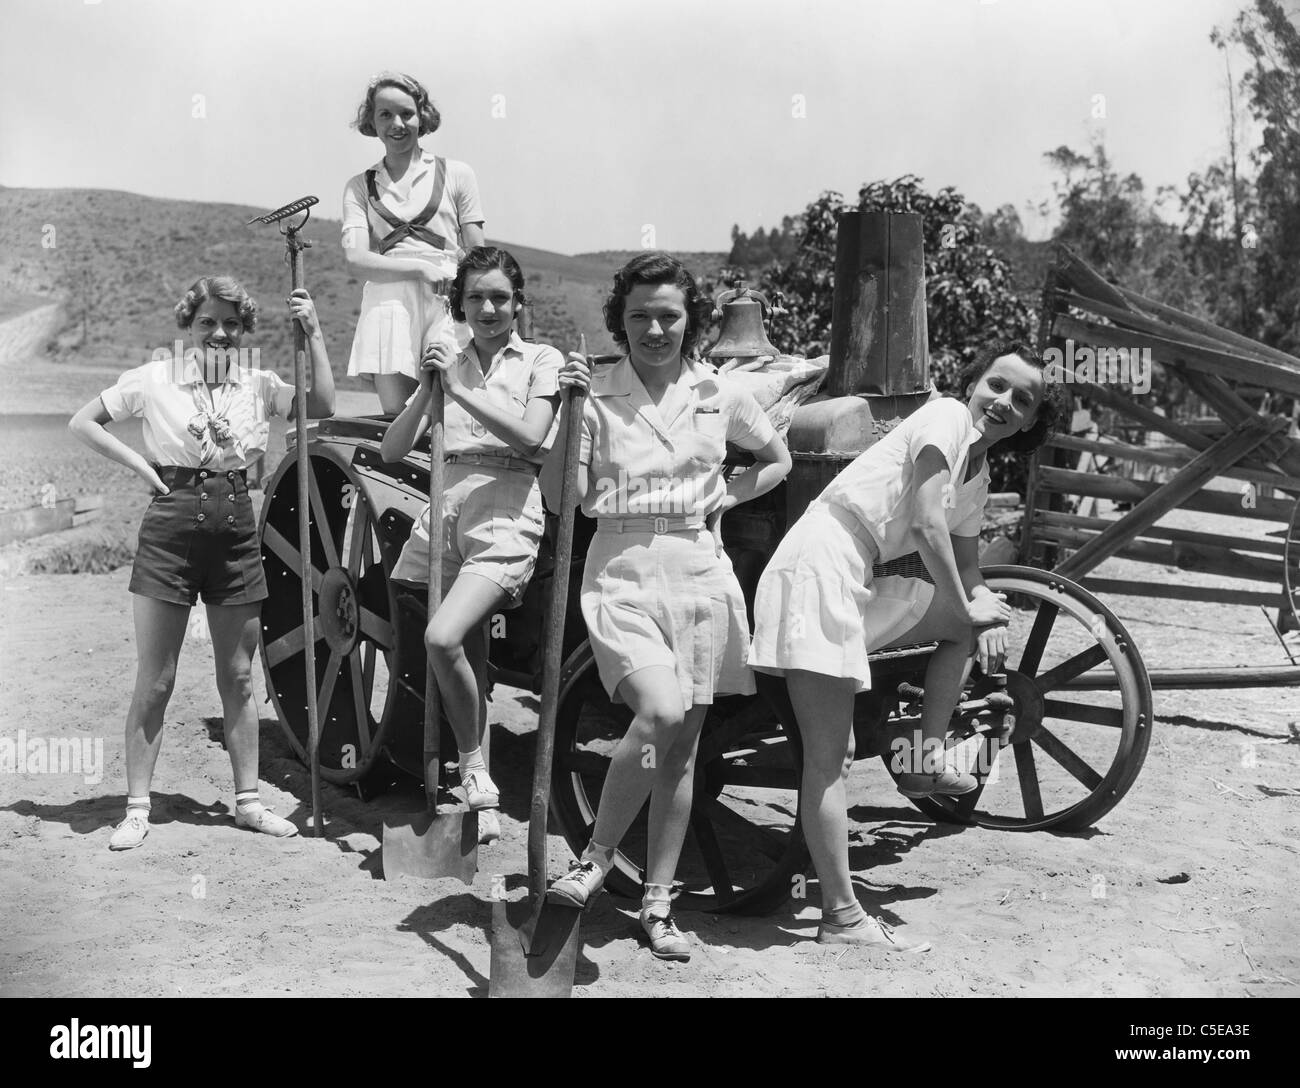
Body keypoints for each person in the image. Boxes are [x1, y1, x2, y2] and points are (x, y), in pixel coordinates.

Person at [748, 340, 1063, 950]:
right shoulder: (945, 416)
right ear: (973, 380)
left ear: (1030, 422)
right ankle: (840, 917)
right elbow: (923, 524)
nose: (1003, 402)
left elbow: (969, 568)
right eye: (997, 384)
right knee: (830, 757)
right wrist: (971, 602)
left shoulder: (979, 472)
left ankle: (922, 762)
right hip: (821, 564)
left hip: (858, 575)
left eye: (1022, 400)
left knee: (959, 624)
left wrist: (985, 613)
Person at [541, 253, 791, 961]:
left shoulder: (718, 393)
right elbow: (563, 500)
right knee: (660, 713)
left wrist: (725, 498)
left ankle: (656, 906)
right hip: (619, 568)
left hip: (700, 573)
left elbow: (778, 460)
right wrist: (567, 412)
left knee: (680, 757)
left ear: (692, 320)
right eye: (640, 315)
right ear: (620, 322)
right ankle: (593, 860)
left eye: (669, 315)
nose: (655, 328)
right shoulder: (594, 394)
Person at [68, 276, 335, 850]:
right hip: (170, 530)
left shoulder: (258, 383)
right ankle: (137, 808)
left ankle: (247, 803)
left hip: (238, 529)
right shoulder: (154, 379)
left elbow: (325, 405)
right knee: (157, 677)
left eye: (232, 324)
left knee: (238, 675)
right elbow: (82, 422)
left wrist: (312, 333)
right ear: (187, 326)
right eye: (207, 322)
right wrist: (145, 470)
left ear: (244, 331)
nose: (220, 333)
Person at [380, 247, 562, 846]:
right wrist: (429, 387)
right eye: (476, 298)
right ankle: (455, 778)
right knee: (426, 623)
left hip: (507, 506)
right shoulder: (448, 363)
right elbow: (391, 450)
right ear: (460, 304)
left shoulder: (540, 360)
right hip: (446, 501)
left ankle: (474, 766)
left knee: (443, 635)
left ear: (518, 304)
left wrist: (457, 389)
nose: (488, 308)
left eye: (500, 298)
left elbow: (533, 440)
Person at [342, 71, 485, 416]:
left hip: (448, 301)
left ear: (422, 115)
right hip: (389, 304)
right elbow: (355, 257)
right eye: (385, 114)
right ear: (372, 121)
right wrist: (420, 269)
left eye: (407, 113)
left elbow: (479, 253)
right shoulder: (359, 186)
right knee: (401, 415)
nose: (397, 123)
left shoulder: (457, 174)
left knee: (454, 409)